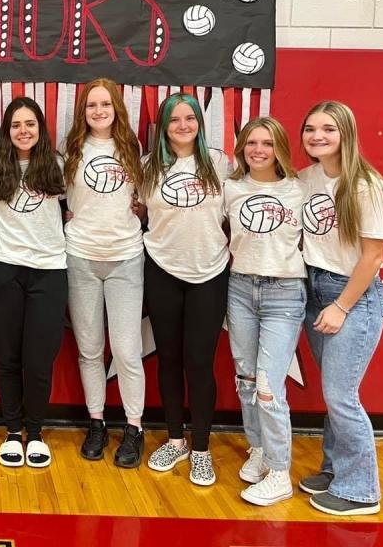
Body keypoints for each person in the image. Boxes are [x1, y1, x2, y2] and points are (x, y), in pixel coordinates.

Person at [298, 100, 383, 516]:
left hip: (353, 295)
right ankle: (336, 468)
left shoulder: (367, 185)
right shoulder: (305, 178)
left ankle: (361, 491)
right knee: (334, 392)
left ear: (346, 134)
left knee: (342, 395)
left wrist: (341, 305)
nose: (317, 136)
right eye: (310, 128)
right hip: (314, 287)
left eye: (328, 129)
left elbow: (372, 257)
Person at [139, 93, 230, 486]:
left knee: (199, 362)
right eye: (173, 119)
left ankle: (202, 449)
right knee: (170, 360)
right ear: (163, 126)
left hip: (209, 272)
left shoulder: (220, 163)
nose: (182, 125)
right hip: (162, 270)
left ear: (199, 123)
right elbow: (138, 210)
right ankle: (176, 439)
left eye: (189, 118)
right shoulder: (148, 168)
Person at [223, 117, 307, 506]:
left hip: (284, 293)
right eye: (251, 142)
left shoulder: (299, 188)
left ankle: (279, 471)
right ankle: (257, 448)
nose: (258, 149)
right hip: (240, 288)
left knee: (269, 387)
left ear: (280, 149)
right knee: (245, 377)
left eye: (267, 143)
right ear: (242, 147)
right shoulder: (232, 188)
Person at [62, 79, 146, 467]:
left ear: (117, 108)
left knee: (127, 351)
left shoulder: (132, 148)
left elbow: (141, 201)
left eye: (105, 104)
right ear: (83, 110)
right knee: (90, 348)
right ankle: (97, 422)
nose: (98, 111)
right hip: (80, 257)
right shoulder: (71, 150)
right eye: (91, 105)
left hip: (126, 258)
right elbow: (63, 199)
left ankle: (134, 426)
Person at [0, 96, 66, 469]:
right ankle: (13, 431)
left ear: (40, 129)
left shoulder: (57, 165)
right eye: (16, 125)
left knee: (39, 359)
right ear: (7, 132)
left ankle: (36, 432)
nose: (23, 131)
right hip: (4, 267)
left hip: (49, 269)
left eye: (30, 124)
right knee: (7, 356)